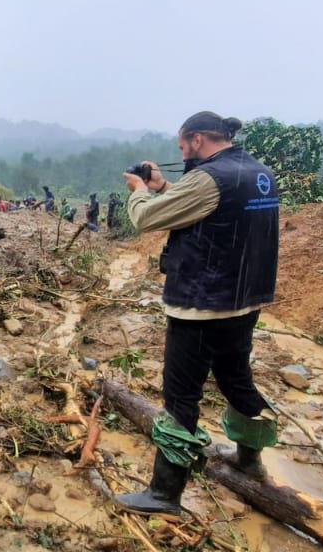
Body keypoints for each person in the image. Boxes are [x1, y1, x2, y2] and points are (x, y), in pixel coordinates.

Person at [115, 111, 280, 514]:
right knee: (237, 378)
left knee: (181, 395)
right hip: (245, 301)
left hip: (201, 306)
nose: (183, 152)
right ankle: (250, 461)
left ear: (198, 139)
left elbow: (146, 217)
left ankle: (164, 493)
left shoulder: (208, 178)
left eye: (183, 146)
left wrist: (140, 190)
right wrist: (166, 186)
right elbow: (216, 210)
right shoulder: (259, 172)